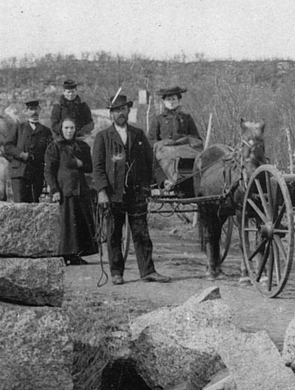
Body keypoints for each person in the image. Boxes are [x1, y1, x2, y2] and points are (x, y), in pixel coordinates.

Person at [91, 94, 170, 285]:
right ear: (111, 114)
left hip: (137, 193)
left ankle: (148, 271)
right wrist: (101, 191)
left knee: (141, 233)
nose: (120, 113)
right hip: (113, 193)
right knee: (114, 234)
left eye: (123, 109)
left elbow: (152, 162)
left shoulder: (138, 134)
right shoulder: (103, 137)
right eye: (116, 110)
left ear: (128, 111)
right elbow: (98, 167)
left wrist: (163, 181)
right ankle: (117, 272)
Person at [45, 118, 98, 265]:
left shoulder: (82, 146)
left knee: (80, 221)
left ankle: (76, 254)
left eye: (72, 128)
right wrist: (54, 189)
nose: (69, 131)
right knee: (66, 222)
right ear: (61, 129)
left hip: (80, 189)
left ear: (76, 130)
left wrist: (80, 163)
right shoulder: (55, 147)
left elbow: (89, 166)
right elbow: (49, 171)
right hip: (64, 189)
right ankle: (64, 254)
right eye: (66, 128)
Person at [149, 86, 203, 190]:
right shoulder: (158, 119)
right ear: (164, 101)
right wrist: (163, 144)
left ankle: (195, 179)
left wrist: (185, 140)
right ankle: (169, 181)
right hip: (165, 151)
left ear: (178, 100)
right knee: (168, 157)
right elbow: (151, 140)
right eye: (168, 99)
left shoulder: (186, 118)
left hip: (186, 148)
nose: (171, 102)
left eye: (174, 99)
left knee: (197, 157)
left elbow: (196, 137)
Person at [3, 99, 53, 203]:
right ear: (26, 111)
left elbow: (50, 153)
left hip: (36, 174)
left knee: (34, 205)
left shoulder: (46, 132)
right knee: (20, 205)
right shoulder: (18, 128)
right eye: (31, 109)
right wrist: (21, 154)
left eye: (36, 109)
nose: (34, 112)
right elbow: (8, 147)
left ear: (39, 110)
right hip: (19, 173)